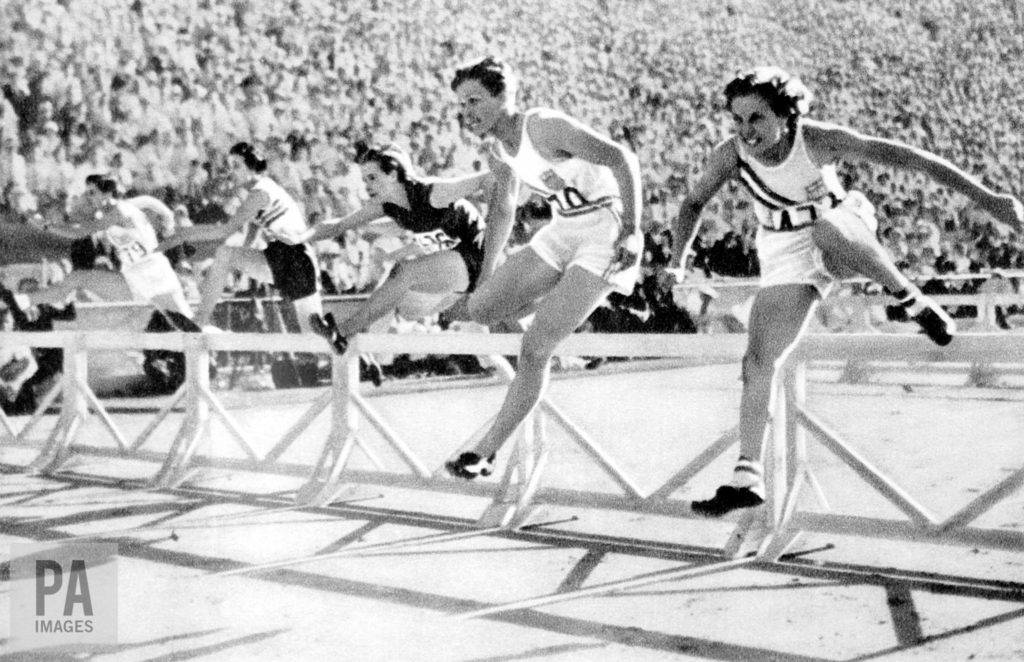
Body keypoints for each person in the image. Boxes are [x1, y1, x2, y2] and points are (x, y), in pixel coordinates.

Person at [669, 67, 1024, 517]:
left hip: (844, 229)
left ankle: (912, 298)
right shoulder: (731, 154)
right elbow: (693, 202)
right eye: (737, 120)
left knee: (825, 228)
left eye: (756, 118)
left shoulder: (819, 139)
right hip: (782, 247)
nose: (746, 131)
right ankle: (746, 477)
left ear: (786, 114)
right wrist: (677, 260)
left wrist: (991, 200)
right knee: (758, 360)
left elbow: (915, 160)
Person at [442, 56, 643, 480]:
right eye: (461, 105)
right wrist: (483, 284)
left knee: (534, 349)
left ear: (503, 97)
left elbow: (622, 158)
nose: (467, 113)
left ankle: (484, 451)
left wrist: (633, 230)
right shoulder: (498, 148)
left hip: (605, 228)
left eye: (475, 100)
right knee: (481, 311)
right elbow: (503, 212)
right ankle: (552, 316)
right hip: (563, 227)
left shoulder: (543, 126)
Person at [304, 143, 489, 352]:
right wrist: (301, 237)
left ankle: (343, 331)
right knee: (397, 300)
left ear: (392, 174)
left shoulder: (434, 192)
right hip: (452, 276)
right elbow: (339, 225)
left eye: (372, 178)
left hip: (478, 261)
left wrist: (505, 201)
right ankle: (369, 356)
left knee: (404, 272)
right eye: (364, 180)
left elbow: (485, 179)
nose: (366, 185)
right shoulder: (391, 207)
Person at [163, 142, 331, 341]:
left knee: (316, 339)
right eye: (230, 165)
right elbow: (252, 228)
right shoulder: (257, 192)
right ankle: (198, 321)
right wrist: (230, 265)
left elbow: (226, 230)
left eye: (237, 166)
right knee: (225, 254)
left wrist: (187, 233)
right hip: (279, 258)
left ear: (252, 167)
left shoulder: (261, 192)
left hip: (297, 261)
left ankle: (361, 359)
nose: (231, 171)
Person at [28, 176, 192, 317]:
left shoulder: (123, 208)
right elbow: (82, 228)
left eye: (93, 193)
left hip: (153, 271)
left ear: (106, 194)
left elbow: (80, 231)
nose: (90, 198)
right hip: (134, 276)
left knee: (180, 319)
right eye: (88, 194)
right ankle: (26, 300)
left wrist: (46, 226)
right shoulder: (104, 216)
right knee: (78, 279)